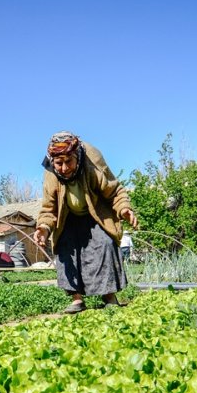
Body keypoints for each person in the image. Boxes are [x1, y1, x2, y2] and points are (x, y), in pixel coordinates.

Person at [33, 131, 139, 314]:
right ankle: (77, 300)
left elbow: (114, 191)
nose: (64, 168)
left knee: (105, 244)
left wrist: (124, 209)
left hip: (95, 212)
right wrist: (43, 228)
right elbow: (48, 208)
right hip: (67, 215)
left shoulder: (92, 161)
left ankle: (109, 297)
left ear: (77, 156)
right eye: (59, 163)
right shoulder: (51, 173)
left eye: (68, 162)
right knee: (65, 249)